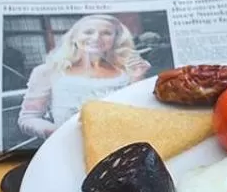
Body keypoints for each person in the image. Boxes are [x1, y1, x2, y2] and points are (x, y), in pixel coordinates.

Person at [17, 15, 149, 139]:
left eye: (106, 33)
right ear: (74, 37)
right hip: (69, 147)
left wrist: (137, 77)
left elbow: (138, 114)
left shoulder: (126, 71)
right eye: (88, 32)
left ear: (116, 39)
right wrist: (57, 133)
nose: (96, 38)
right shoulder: (48, 71)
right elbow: (28, 118)